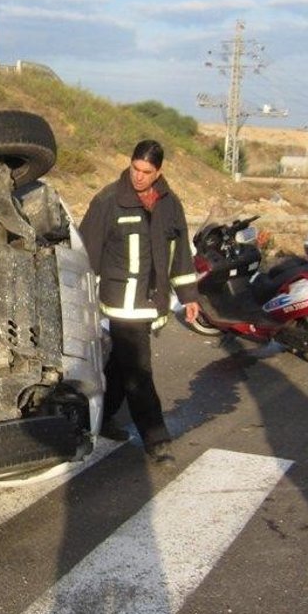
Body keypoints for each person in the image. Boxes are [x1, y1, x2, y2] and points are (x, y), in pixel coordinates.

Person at [78, 139, 199, 464]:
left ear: (158, 171)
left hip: (152, 299)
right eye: (135, 168)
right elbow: (87, 253)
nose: (139, 176)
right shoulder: (108, 201)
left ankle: (100, 417)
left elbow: (181, 253)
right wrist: (81, 297)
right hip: (121, 302)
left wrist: (189, 296)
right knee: (139, 370)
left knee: (123, 361)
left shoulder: (169, 204)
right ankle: (156, 439)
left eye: (147, 171)